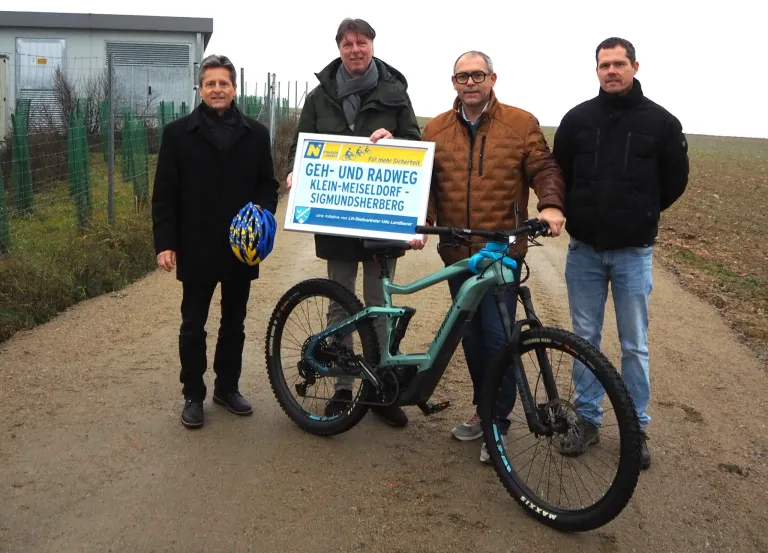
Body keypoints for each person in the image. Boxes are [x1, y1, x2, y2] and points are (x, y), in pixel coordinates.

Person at [415, 51, 566, 463]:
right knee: (472, 340)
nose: (470, 82)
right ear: (453, 82)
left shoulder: (520, 123)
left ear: (492, 79)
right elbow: (425, 183)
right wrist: (423, 221)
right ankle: (484, 412)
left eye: (477, 75)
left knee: (500, 340)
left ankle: (498, 423)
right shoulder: (436, 129)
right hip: (457, 256)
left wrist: (551, 205)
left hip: (500, 253)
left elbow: (544, 168)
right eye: (462, 76)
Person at [552, 37, 689, 468]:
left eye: (618, 64)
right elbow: (560, 171)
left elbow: (675, 180)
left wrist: (642, 212)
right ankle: (588, 420)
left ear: (634, 66)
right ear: (596, 70)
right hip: (585, 251)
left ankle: (635, 428)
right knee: (583, 340)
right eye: (604, 65)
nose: (611, 71)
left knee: (634, 345)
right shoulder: (577, 120)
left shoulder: (661, 123)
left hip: (633, 253)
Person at [285, 18, 422, 427]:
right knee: (339, 303)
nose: (355, 49)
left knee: (379, 306)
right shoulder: (319, 97)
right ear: (339, 48)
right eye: (347, 44)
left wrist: (396, 144)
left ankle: (380, 389)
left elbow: (416, 144)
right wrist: (297, 171)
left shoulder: (395, 92)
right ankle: (344, 386)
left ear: (372, 45)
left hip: (381, 221)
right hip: (337, 219)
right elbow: (301, 145)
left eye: (361, 42)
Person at [152, 54, 279, 429]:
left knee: (234, 322)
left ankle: (227, 387)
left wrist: (261, 213)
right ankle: (193, 394)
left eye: (224, 83)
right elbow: (164, 193)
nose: (217, 89)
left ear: (235, 89)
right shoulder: (178, 134)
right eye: (210, 84)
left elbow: (267, 184)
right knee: (193, 323)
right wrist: (165, 242)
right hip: (196, 244)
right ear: (201, 89)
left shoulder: (256, 134)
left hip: (241, 247)